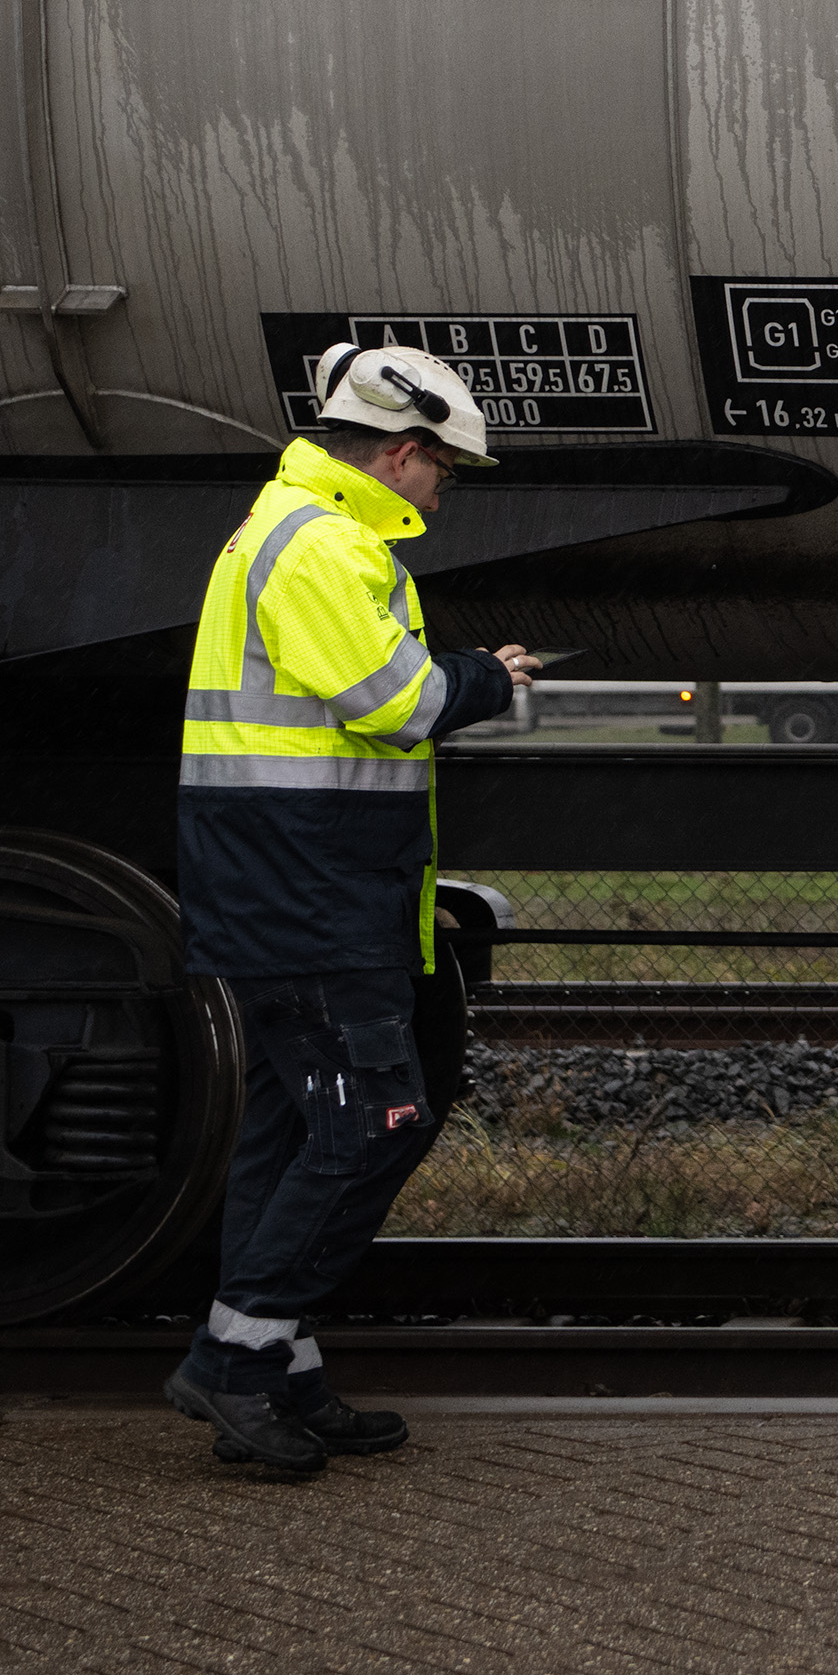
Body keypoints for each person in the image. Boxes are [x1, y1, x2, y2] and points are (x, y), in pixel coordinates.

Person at [162, 340, 543, 1476]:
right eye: (444, 469)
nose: (443, 489)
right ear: (401, 449)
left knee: (289, 1138)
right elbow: (391, 702)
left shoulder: (288, 526)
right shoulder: (327, 544)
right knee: (374, 1124)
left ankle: (278, 1367)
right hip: (309, 894)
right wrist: (486, 676)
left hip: (295, 886)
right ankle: (232, 1371)